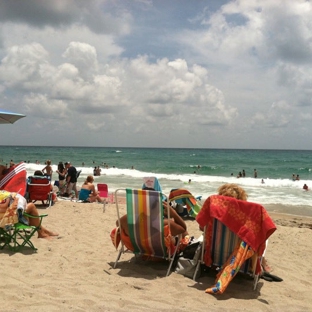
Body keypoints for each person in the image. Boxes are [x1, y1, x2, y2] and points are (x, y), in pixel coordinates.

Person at [216, 183, 272, 272]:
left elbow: (202, 228)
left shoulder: (214, 217)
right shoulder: (245, 221)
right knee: (261, 239)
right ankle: (263, 262)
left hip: (215, 256)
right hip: (240, 258)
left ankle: (263, 261)